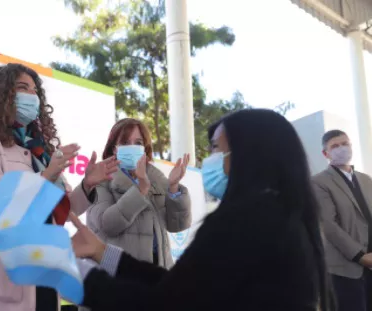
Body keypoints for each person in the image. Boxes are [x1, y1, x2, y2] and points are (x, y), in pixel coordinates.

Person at [70, 109, 334, 310]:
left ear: (248, 153)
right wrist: (102, 252)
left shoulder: (243, 221)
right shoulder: (280, 215)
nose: (210, 158)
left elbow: (168, 301)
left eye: (216, 148)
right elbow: (184, 286)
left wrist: (71, 275)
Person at [0, 63, 119, 311]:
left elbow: (62, 211)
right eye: (22, 88)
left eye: (34, 90)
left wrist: (87, 184)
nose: (31, 95)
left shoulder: (40, 150)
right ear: (2, 93)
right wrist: (46, 175)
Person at [84, 118, 191, 269]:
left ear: (145, 148)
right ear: (114, 149)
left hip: (159, 272)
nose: (132, 147)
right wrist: (140, 190)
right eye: (125, 142)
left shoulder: (155, 178)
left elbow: (177, 225)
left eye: (138, 143)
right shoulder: (100, 180)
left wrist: (173, 186)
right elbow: (107, 225)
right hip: (119, 275)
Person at [312, 129, 372, 311]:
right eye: (335, 146)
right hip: (346, 267)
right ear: (326, 154)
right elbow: (328, 225)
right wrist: (360, 256)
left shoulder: (366, 179)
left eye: (345, 144)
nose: (342, 149)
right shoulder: (319, 182)